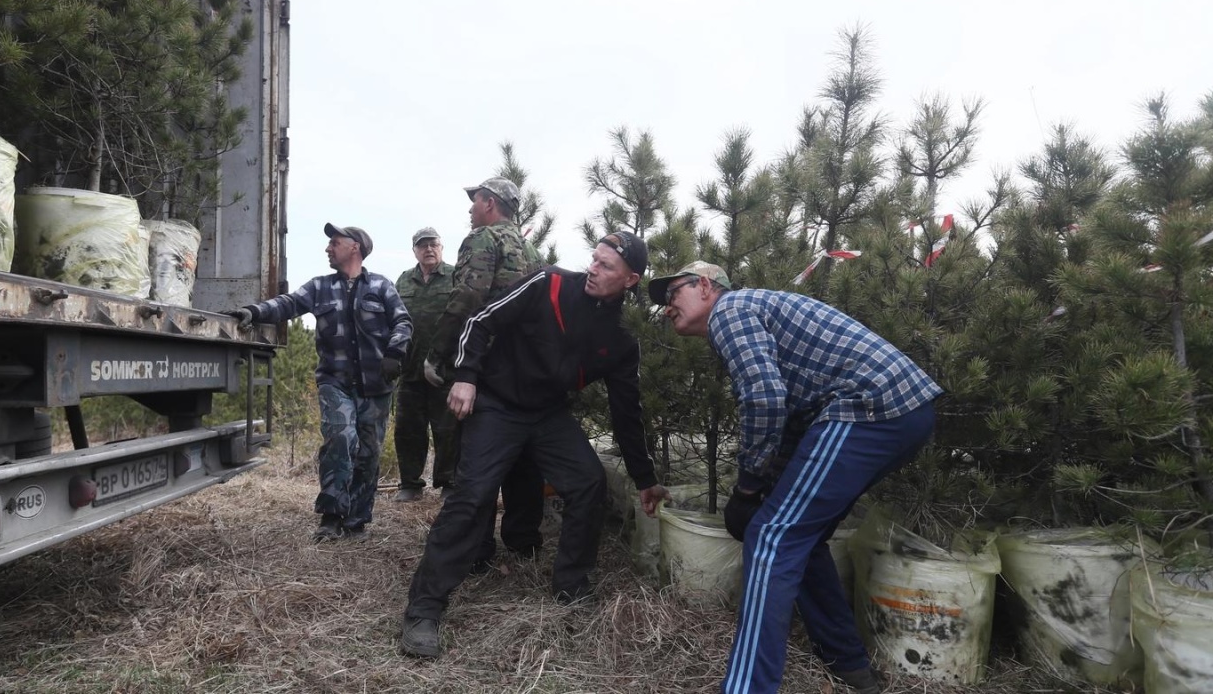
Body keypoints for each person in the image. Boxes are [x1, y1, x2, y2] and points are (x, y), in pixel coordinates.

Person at [647, 261, 942, 694]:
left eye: (672, 295)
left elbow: (765, 399)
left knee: (771, 538)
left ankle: (747, 688)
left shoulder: (730, 310)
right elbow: (790, 420)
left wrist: (748, 487)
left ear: (706, 286)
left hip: (867, 407)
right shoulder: (755, 312)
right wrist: (763, 489)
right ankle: (850, 666)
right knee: (798, 535)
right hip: (901, 411)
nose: (667, 308)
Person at [400, 232, 670, 659]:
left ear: (631, 279)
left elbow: (627, 411)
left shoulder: (621, 336)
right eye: (594, 260)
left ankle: (572, 586)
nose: (593, 270)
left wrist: (644, 477)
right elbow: (481, 320)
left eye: (606, 267)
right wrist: (467, 375)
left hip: (547, 414)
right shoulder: (550, 283)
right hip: (497, 403)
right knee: (470, 498)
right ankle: (424, 609)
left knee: (587, 482)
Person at [231, 223, 412, 541]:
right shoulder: (319, 287)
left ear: (354, 247)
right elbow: (286, 304)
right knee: (340, 440)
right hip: (335, 383)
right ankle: (331, 516)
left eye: (335, 242)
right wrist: (254, 311)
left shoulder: (382, 286)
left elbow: (403, 321)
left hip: (377, 385)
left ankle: (356, 520)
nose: (328, 248)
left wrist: (395, 353)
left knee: (368, 453)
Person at [422, 177, 548, 562]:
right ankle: (523, 541)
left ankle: (475, 550)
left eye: (475, 201)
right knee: (523, 458)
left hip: (483, 365)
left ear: (490, 203)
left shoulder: (482, 240)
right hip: (523, 369)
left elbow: (469, 296)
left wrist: (439, 352)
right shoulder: (529, 248)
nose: (471, 209)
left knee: (475, 460)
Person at [392, 227, 458, 502]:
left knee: (448, 429)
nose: (428, 249)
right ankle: (410, 483)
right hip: (410, 369)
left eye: (433, 244)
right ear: (415, 251)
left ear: (441, 248)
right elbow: (393, 318)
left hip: (446, 369)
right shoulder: (404, 280)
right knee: (408, 429)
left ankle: (449, 483)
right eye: (423, 245)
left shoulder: (456, 276)